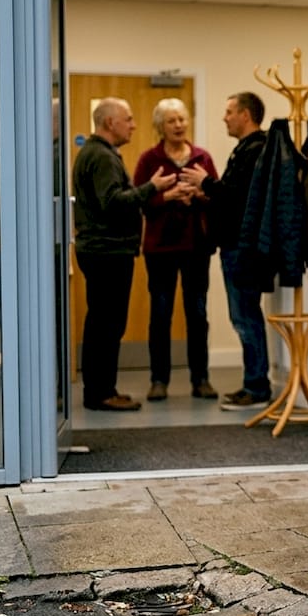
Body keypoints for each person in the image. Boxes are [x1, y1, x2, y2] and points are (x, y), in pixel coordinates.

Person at [72, 97, 178, 411]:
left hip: (104, 250)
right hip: (107, 251)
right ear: (109, 123)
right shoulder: (102, 157)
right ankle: (101, 393)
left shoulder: (97, 153)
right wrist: (152, 187)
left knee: (103, 323)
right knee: (107, 325)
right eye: (128, 119)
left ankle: (103, 389)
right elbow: (113, 202)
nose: (133, 125)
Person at [133, 98, 217, 402]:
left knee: (197, 314)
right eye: (172, 120)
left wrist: (198, 194)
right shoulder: (148, 160)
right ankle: (159, 380)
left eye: (182, 119)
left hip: (197, 246)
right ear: (161, 126)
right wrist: (166, 196)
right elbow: (138, 200)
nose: (179, 125)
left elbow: (217, 197)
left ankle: (201, 378)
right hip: (161, 249)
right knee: (160, 314)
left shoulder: (202, 158)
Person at [201, 92, 273, 411]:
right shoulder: (248, 149)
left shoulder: (255, 150)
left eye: (229, 111)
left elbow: (236, 197)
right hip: (238, 246)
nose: (224, 117)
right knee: (244, 315)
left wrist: (204, 183)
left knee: (245, 317)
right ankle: (254, 383)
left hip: (242, 249)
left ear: (246, 115)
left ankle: (256, 387)